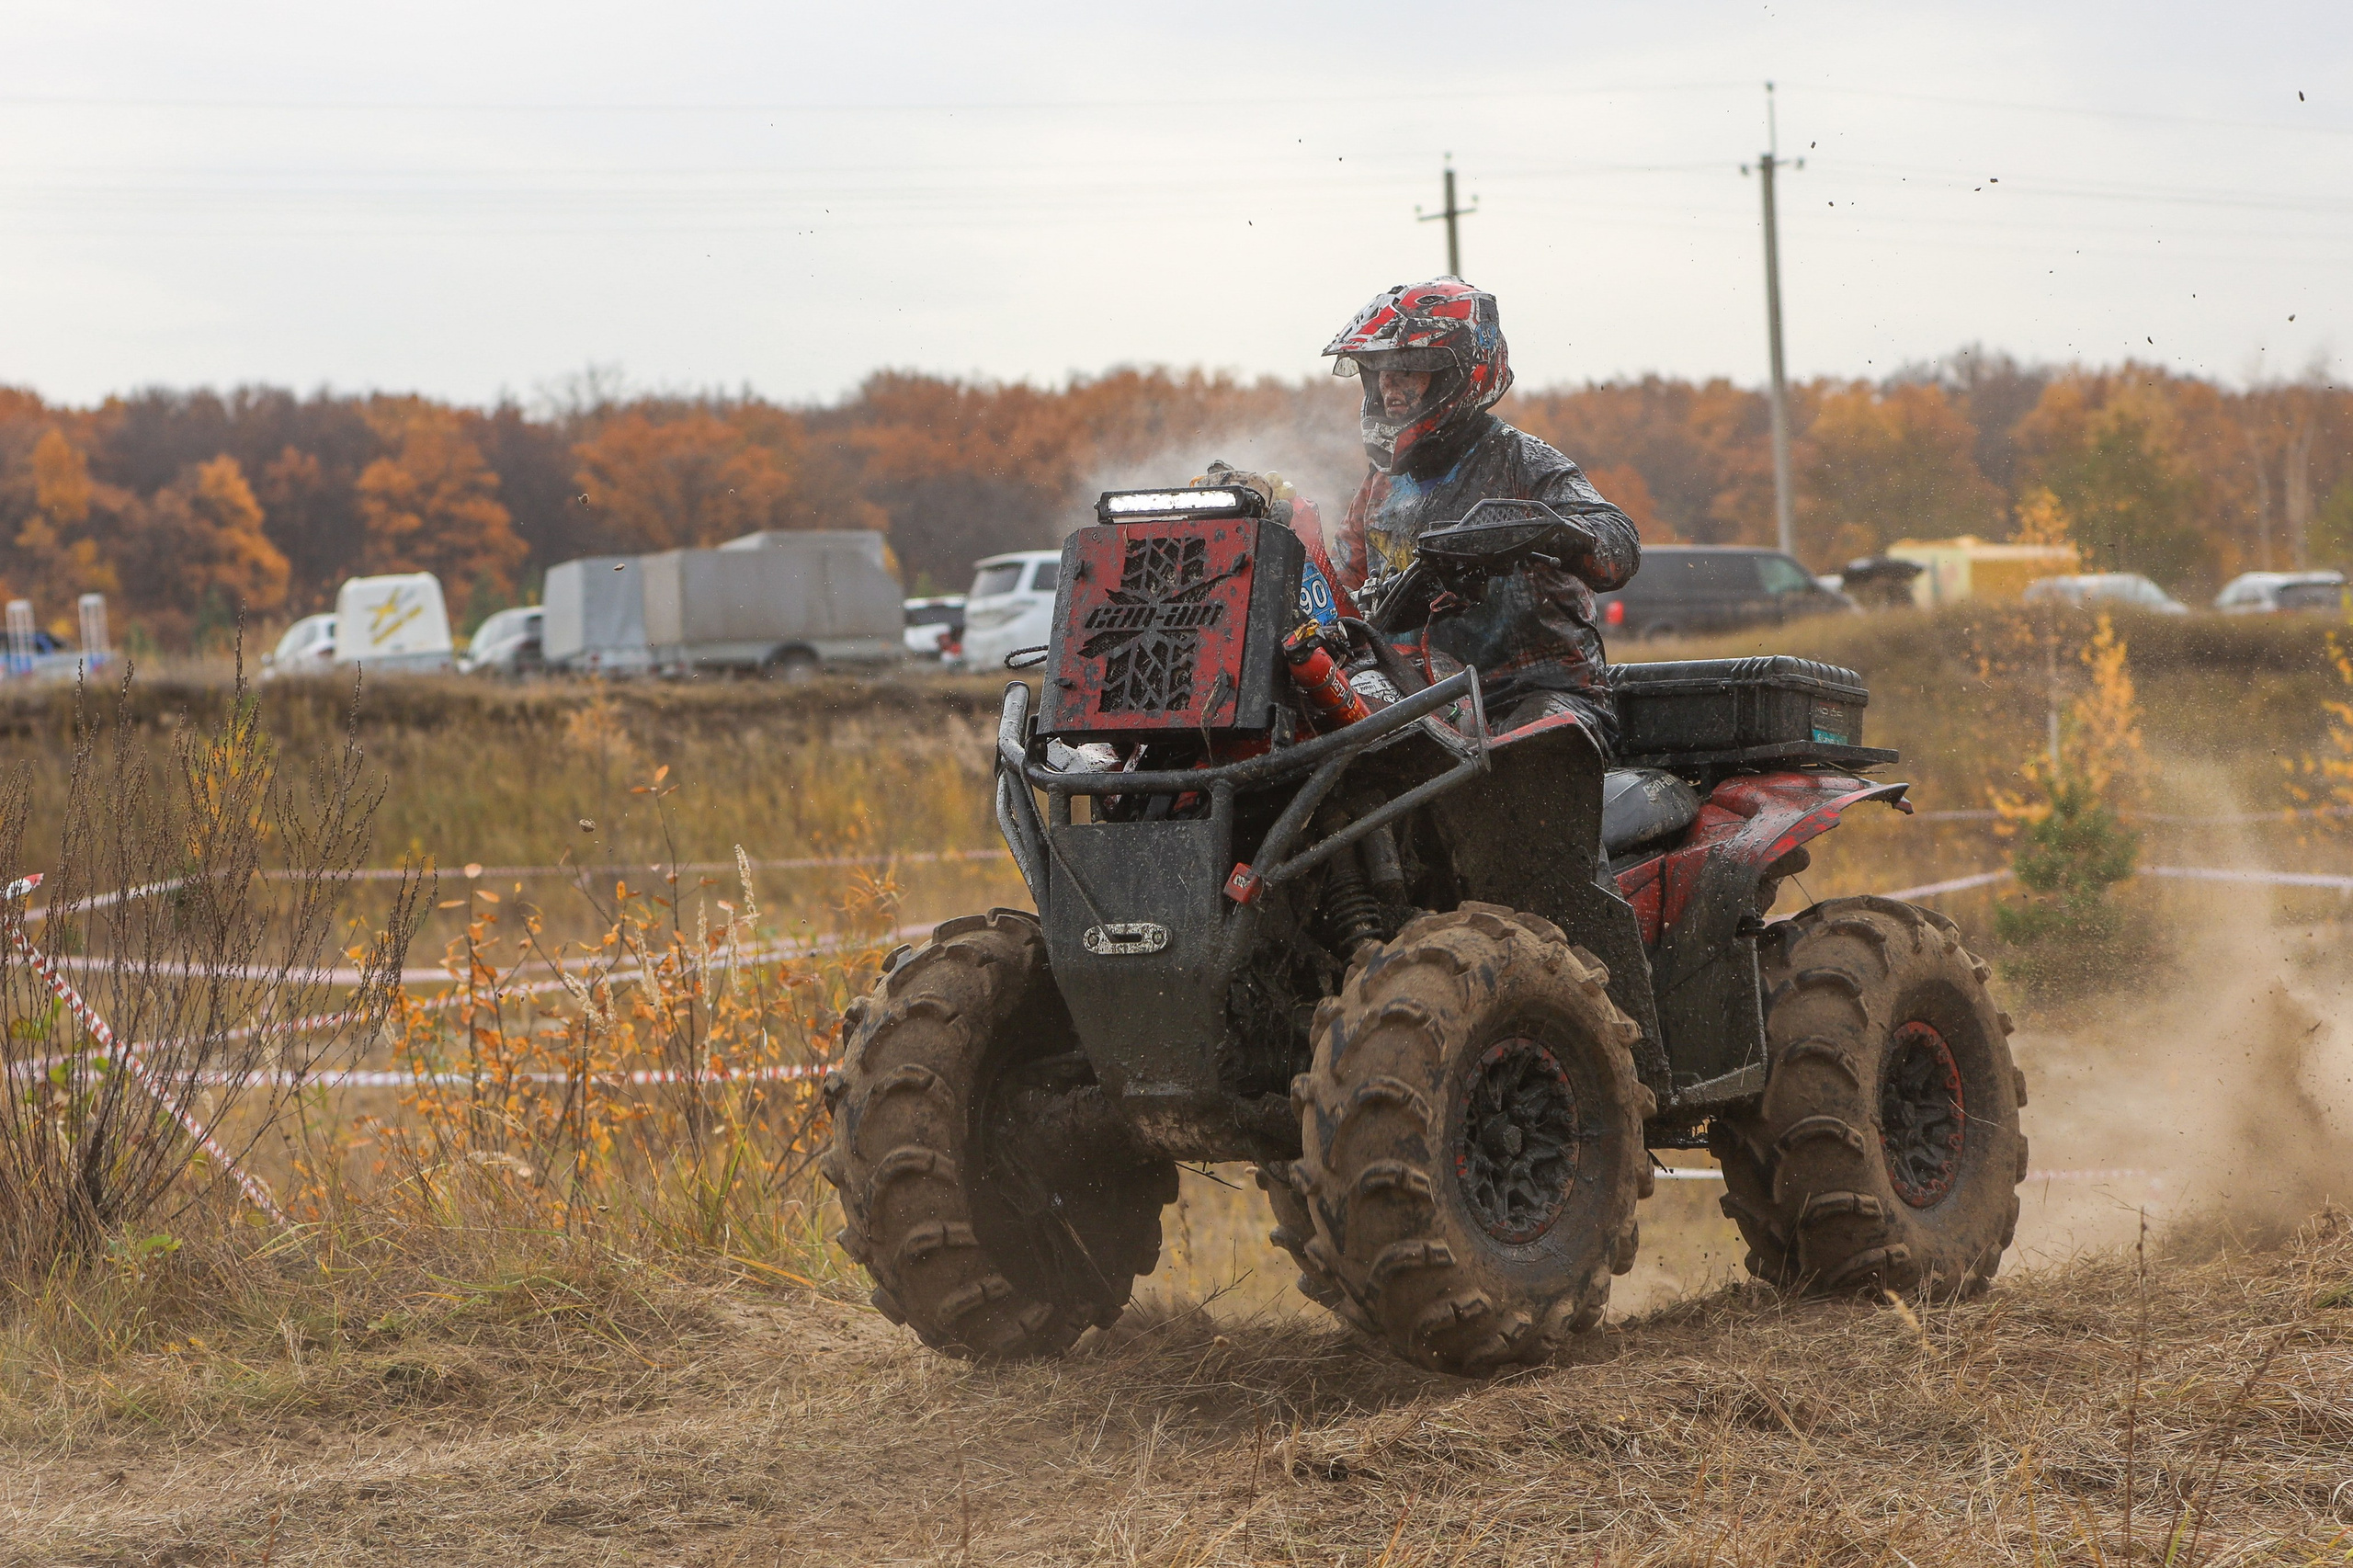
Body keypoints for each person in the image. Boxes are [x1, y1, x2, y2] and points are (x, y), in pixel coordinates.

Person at [1322, 277, 1640, 750]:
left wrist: (1540, 533)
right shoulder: (1380, 484)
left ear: (1460, 374)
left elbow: (1619, 544)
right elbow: (1339, 591)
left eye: (1407, 370)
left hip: (1532, 697)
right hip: (1421, 695)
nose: (1390, 388)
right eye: (1379, 372)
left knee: (1527, 753)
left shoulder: (1521, 461)